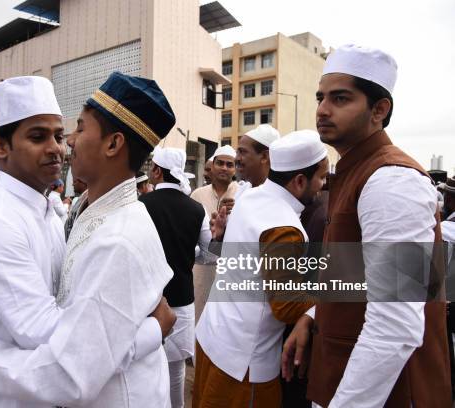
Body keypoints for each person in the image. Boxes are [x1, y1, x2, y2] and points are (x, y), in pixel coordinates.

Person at [0, 72, 177, 407]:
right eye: (38, 137)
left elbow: (79, 356)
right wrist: (150, 331)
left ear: (113, 144)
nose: (62, 146)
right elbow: (64, 337)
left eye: (68, 132)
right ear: (1, 146)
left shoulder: (102, 228)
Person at [282, 44, 451, 407]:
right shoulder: (356, 172)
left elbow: (395, 325)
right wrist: (313, 315)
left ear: (379, 109)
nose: (323, 110)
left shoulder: (391, 181)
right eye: (320, 98)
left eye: (340, 99)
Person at [194, 130, 327, 407]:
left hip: (213, 337)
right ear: (300, 180)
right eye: (322, 177)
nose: (323, 185)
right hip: (243, 365)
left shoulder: (249, 197)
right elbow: (287, 305)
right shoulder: (283, 227)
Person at [139, 146, 211, 407]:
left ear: (157, 171)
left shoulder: (140, 206)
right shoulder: (197, 209)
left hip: (147, 299)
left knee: (145, 365)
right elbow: (209, 254)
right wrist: (187, 252)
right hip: (181, 298)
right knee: (176, 367)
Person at [190, 145, 238, 321]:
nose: (224, 168)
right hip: (203, 271)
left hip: (232, 271)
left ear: (235, 169)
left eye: (229, 164)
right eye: (220, 163)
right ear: (212, 165)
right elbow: (189, 235)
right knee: (199, 317)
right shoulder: (197, 195)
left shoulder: (242, 194)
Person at [235, 124, 280, 198]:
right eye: (237, 152)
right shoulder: (242, 190)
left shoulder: (277, 196)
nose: (237, 158)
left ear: (264, 157)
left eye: (242, 152)